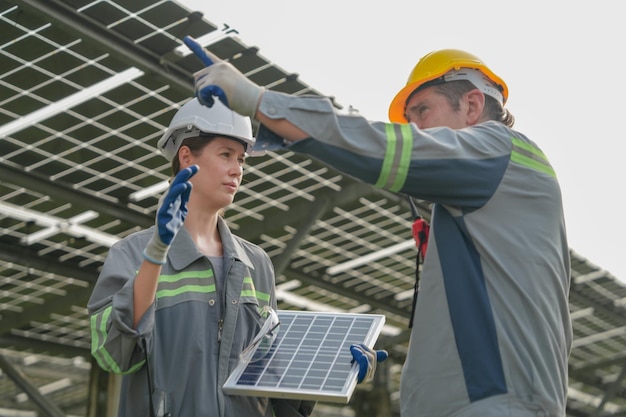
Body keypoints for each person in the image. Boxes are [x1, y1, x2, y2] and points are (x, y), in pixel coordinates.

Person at [187, 39, 573, 417]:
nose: (416, 128)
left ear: (472, 104)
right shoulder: (495, 185)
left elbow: (386, 149)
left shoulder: (497, 150)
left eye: (422, 110)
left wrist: (259, 101)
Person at [87, 97, 315, 417]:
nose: (237, 169)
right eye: (225, 155)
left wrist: (333, 373)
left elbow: (268, 375)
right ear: (185, 157)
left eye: (241, 159)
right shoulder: (130, 255)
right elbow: (115, 355)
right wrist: (156, 254)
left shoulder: (256, 264)